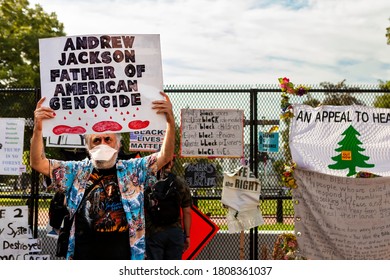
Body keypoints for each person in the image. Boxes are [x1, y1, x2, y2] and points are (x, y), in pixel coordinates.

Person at [30, 91, 175, 260]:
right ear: (88, 147)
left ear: (118, 144)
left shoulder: (133, 169)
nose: (103, 144)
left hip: (123, 256)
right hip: (83, 255)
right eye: (96, 141)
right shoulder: (76, 171)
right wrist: (38, 128)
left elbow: (164, 156)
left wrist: (170, 123)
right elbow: (37, 162)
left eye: (108, 139)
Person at [145, 157, 192, 260]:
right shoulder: (180, 182)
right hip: (175, 231)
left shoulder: (148, 182)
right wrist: (187, 236)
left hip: (154, 231)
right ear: (171, 164)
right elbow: (187, 212)